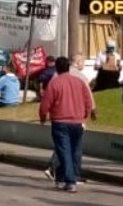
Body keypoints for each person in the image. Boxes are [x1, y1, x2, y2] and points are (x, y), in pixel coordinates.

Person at [39, 57, 96, 193]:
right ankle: (60, 178)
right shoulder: (79, 82)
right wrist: (85, 116)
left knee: (63, 151)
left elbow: (45, 104)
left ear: (57, 68)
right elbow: (87, 100)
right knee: (71, 150)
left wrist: (42, 117)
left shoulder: (54, 83)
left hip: (60, 121)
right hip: (77, 122)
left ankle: (70, 181)